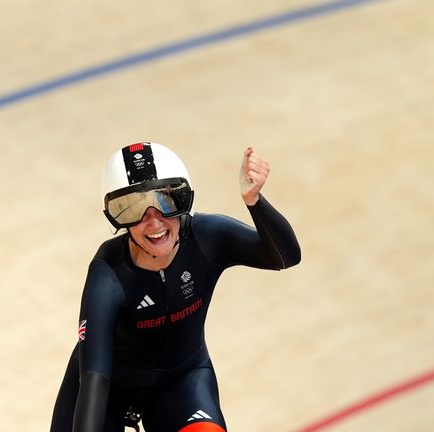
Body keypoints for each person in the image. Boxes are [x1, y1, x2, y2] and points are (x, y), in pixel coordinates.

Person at [49, 142, 301, 432]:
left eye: (166, 202)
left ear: (186, 200)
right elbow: (94, 379)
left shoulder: (208, 236)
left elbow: (285, 257)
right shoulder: (107, 273)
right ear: (119, 220)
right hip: (109, 389)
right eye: (134, 209)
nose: (153, 222)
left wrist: (254, 200)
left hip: (181, 382)